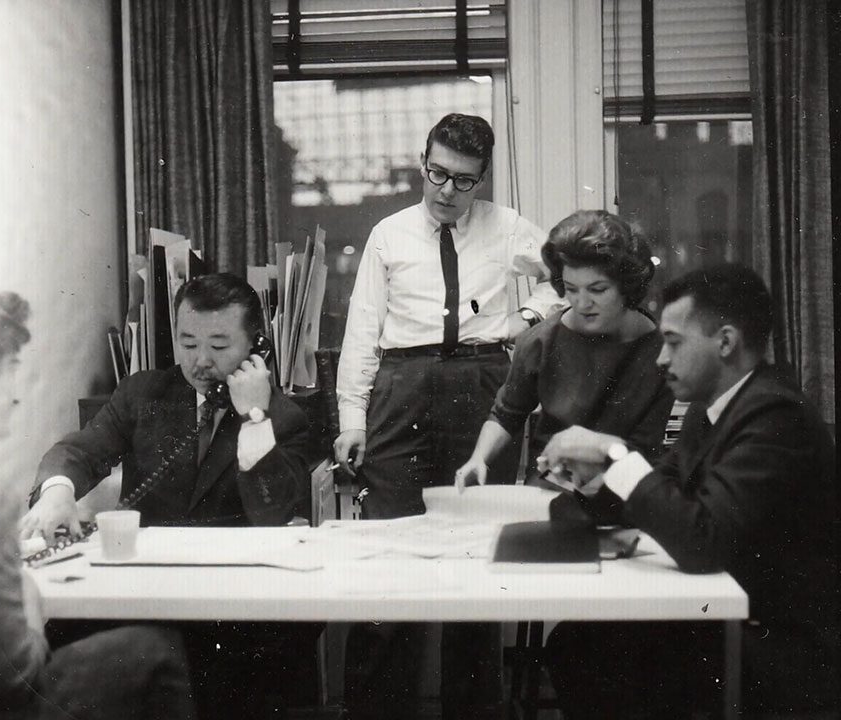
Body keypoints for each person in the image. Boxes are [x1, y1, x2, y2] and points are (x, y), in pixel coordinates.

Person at [336, 113, 563, 720]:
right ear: (423, 161)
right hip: (401, 388)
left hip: (482, 386)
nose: (446, 191)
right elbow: (363, 331)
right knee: (391, 560)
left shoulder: (510, 228)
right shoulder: (388, 234)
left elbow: (567, 279)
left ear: (483, 179)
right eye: (437, 173)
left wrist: (531, 318)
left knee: (475, 564)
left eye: (464, 181)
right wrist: (353, 419)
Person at [540, 264, 838, 718]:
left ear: (725, 342)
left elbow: (703, 541)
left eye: (674, 342)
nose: (661, 359)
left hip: (779, 645)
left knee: (585, 650)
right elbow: (665, 491)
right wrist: (592, 476)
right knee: (577, 641)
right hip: (729, 615)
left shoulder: (775, 415)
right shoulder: (716, 406)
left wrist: (613, 453)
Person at [19, 273, 315, 718]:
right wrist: (57, 493)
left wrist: (254, 417)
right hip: (144, 591)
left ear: (256, 346)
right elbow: (78, 451)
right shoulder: (144, 394)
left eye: (218, 347)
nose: (199, 361)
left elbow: (273, 512)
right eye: (187, 342)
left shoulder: (283, 416)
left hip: (230, 604)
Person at [0, 291, 197, 720]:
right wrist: (30, 609)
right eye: (11, 369)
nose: (18, 393)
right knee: (156, 649)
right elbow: (14, 675)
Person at [454, 208, 674, 491]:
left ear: (626, 286)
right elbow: (506, 414)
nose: (582, 303)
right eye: (572, 289)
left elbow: (646, 448)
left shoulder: (661, 351)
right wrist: (478, 458)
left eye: (597, 289)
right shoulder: (540, 341)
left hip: (628, 490)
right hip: (549, 492)